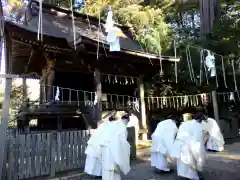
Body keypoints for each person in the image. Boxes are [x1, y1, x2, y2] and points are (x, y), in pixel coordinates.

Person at [172, 111, 206, 180]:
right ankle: (193, 177)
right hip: (188, 145)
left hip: (180, 145)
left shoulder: (186, 123)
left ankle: (187, 175)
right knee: (191, 161)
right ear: (200, 120)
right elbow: (197, 140)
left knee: (184, 161)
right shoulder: (197, 125)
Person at [84, 110, 116, 177]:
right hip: (99, 140)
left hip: (102, 140)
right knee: (96, 156)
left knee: (100, 157)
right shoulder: (102, 124)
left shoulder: (108, 125)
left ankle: (100, 173)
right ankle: (96, 173)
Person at [101, 113, 131, 180]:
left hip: (105, 149)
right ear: (127, 121)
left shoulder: (113, 124)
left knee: (107, 169)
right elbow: (123, 142)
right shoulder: (122, 128)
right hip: (114, 150)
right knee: (113, 170)